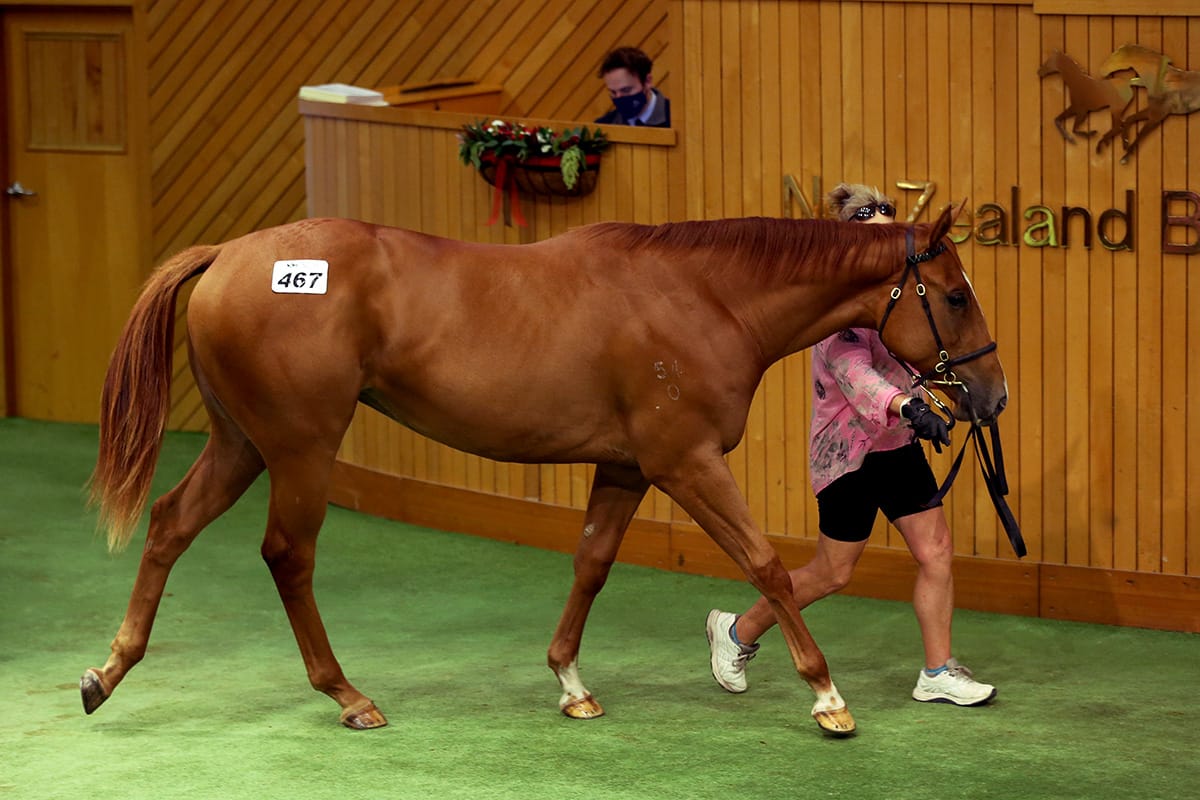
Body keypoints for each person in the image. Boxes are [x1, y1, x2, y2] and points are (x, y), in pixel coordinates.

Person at [704, 183, 997, 707]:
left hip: (896, 445)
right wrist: (907, 406)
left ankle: (937, 670)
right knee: (832, 573)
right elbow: (853, 373)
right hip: (848, 454)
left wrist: (939, 398)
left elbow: (915, 353)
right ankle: (737, 631)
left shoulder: (900, 295)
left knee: (935, 553)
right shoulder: (835, 312)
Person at [595, 46, 671, 128]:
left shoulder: (677, 120)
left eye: (626, 90)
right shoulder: (604, 126)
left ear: (647, 81)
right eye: (613, 92)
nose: (619, 97)